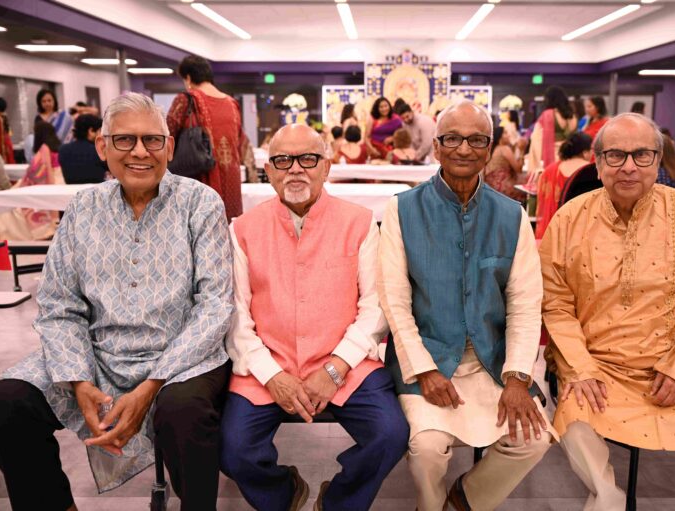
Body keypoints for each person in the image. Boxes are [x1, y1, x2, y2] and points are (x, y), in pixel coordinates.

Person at [0, 92, 234, 511]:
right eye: (125, 140)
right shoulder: (83, 208)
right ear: (102, 146)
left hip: (181, 360)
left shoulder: (200, 203)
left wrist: (151, 385)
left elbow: (215, 305)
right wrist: (79, 380)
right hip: (98, 354)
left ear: (169, 147)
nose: (140, 152)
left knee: (184, 412)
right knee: (9, 400)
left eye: (152, 140)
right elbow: (59, 303)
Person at [540, 113, 675, 510]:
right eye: (615, 155)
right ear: (598, 163)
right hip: (596, 367)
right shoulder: (570, 219)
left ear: (658, 160)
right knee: (577, 431)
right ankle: (607, 504)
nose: (628, 166)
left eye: (641, 155)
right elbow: (555, 303)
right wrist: (581, 367)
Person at [220, 124, 408, 511]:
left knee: (390, 434)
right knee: (231, 448)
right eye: (282, 160)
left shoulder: (359, 223)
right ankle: (283, 494)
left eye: (307, 159)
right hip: (268, 363)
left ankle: (338, 502)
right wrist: (271, 375)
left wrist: (335, 368)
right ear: (268, 170)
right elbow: (236, 314)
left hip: (346, 363)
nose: (295, 169)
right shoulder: (243, 229)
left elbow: (375, 307)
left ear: (326, 167)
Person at [378, 101, 554, 511]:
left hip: (493, 363)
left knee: (535, 439)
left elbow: (526, 304)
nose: (463, 149)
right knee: (426, 451)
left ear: (489, 148)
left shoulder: (511, 215)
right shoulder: (403, 210)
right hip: (428, 361)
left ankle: (463, 500)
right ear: (436, 147)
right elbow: (395, 302)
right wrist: (424, 370)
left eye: (476, 140)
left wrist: (517, 377)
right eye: (452, 139)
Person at [168, 55, 243, 221]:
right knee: (227, 226)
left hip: (200, 175)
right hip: (231, 178)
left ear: (188, 78)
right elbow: (239, 141)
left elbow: (167, 134)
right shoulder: (232, 103)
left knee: (200, 225)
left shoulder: (185, 99)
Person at [0, 121, 65, 241]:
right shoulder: (57, 149)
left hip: (50, 182)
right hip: (59, 180)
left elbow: (43, 173)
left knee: (12, 210)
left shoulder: (44, 149)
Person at [534, 131, 593, 239]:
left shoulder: (549, 170)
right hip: (580, 233)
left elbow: (542, 203)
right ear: (585, 152)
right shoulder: (590, 170)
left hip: (552, 232)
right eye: (591, 150)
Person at [528, 86, 578, 182]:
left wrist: (537, 162)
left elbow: (536, 138)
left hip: (552, 157)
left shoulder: (547, 115)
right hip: (569, 156)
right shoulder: (572, 116)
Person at [58, 113, 108, 184]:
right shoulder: (98, 150)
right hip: (96, 189)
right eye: (100, 130)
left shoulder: (63, 149)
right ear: (91, 131)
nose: (102, 135)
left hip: (70, 190)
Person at [484, 125, 525, 201]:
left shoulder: (493, 149)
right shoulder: (504, 149)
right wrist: (522, 150)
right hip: (503, 188)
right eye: (505, 133)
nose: (508, 135)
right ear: (500, 137)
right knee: (528, 182)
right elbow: (519, 169)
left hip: (490, 187)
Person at [0, 97, 15, 163]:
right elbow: (9, 133)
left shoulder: (0, 119)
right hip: (6, 143)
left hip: (2, 145)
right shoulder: (4, 117)